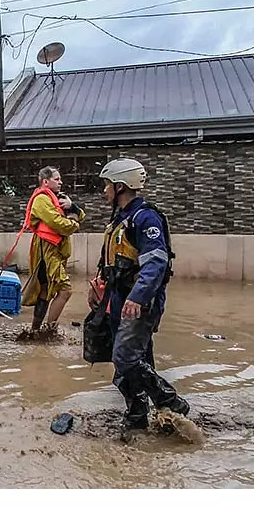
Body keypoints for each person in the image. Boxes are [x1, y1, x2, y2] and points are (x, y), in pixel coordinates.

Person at [88, 157, 189, 431]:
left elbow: (156, 262)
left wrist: (138, 297)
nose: (104, 191)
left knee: (125, 357)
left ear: (120, 186)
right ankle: (139, 417)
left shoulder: (145, 218)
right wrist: (98, 285)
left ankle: (170, 401)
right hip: (117, 299)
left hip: (138, 303)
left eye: (107, 185)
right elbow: (112, 259)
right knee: (134, 359)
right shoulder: (120, 219)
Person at [18, 166, 85, 340]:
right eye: (57, 179)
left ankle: (35, 330)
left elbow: (81, 215)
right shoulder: (41, 199)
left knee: (45, 290)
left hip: (56, 249)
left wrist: (73, 207)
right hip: (46, 249)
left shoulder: (59, 199)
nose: (61, 182)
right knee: (65, 290)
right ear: (45, 181)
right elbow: (58, 223)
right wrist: (73, 222)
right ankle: (49, 331)